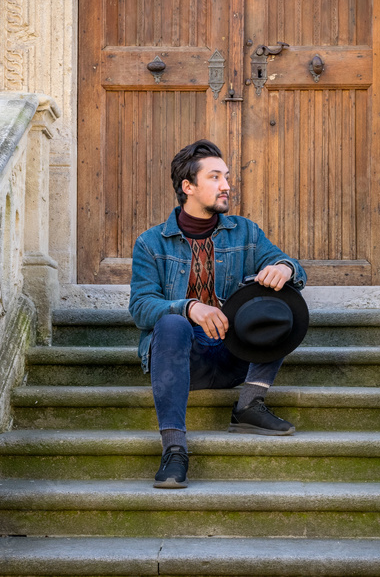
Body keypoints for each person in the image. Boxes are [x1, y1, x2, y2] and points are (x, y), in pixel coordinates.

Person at [128, 140, 307, 488]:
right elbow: (140, 307)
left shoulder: (246, 232)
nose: (227, 185)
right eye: (215, 177)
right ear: (188, 187)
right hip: (182, 359)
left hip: (235, 354)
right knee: (171, 323)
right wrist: (189, 307)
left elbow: (290, 266)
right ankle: (175, 449)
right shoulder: (151, 243)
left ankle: (249, 404)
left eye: (226, 177)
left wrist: (285, 269)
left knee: (284, 299)